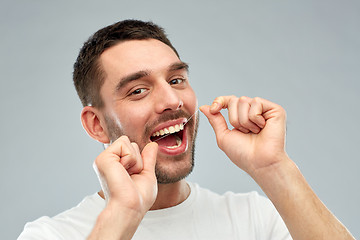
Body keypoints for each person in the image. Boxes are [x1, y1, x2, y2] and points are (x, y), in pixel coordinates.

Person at [18, 19, 354, 240]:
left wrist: (274, 168)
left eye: (177, 80)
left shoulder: (254, 219)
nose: (171, 100)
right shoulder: (50, 234)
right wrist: (123, 215)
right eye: (138, 90)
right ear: (96, 124)